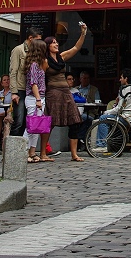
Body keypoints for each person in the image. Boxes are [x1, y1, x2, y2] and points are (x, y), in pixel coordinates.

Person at [43, 23, 90, 161]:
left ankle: (74, 154)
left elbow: (76, 47)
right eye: (53, 43)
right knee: (50, 122)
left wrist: (83, 33)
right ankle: (43, 152)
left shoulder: (62, 57)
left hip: (65, 93)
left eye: (56, 42)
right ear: (48, 46)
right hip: (53, 92)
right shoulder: (45, 61)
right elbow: (39, 77)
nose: (56, 44)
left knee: (75, 121)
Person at [94, 68, 131, 147]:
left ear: (126, 79)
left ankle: (102, 145)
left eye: (121, 77)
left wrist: (106, 112)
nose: (119, 80)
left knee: (103, 118)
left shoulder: (124, 90)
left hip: (127, 118)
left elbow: (118, 109)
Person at [9, 27, 42, 137]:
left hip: (30, 91)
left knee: (25, 121)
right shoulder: (18, 50)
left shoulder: (35, 52)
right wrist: (14, 92)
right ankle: (12, 148)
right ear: (30, 38)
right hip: (20, 88)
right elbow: (13, 71)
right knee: (18, 120)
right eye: (38, 40)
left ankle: (21, 148)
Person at [24, 39, 52, 162]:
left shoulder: (40, 64)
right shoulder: (34, 65)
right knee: (31, 126)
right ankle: (23, 150)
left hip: (40, 97)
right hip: (34, 98)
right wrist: (38, 99)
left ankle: (32, 152)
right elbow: (34, 83)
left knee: (37, 127)